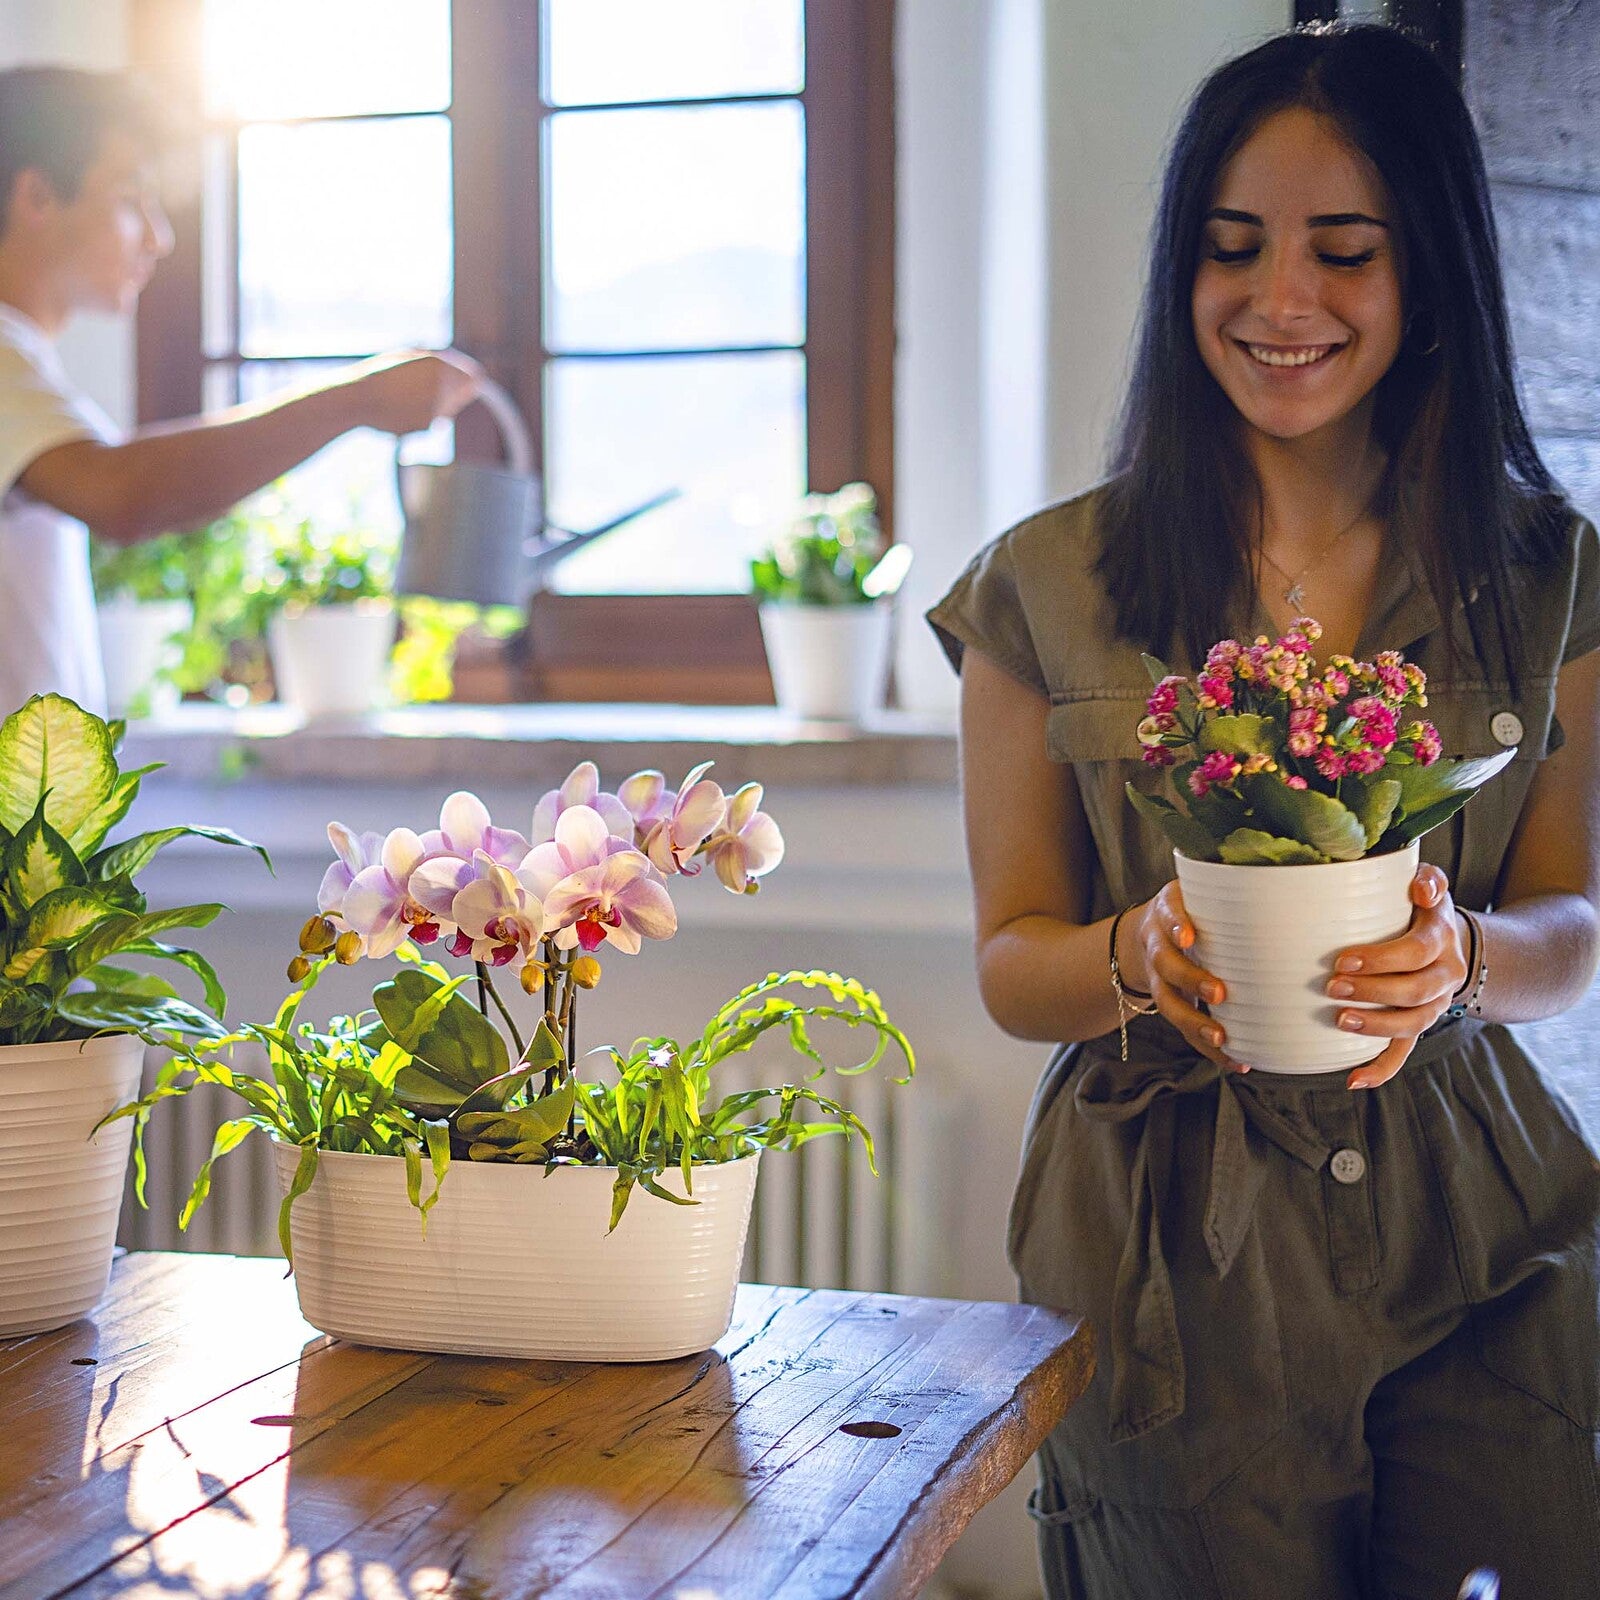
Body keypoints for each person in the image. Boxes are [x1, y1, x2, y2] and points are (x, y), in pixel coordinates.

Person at [928, 24, 1600, 1600]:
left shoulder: (1548, 576)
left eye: (1344, 253)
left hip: (1485, 1225)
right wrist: (1138, 952)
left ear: (1425, 270)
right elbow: (1012, 958)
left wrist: (1466, 966)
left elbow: (1577, 921)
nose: (1280, 302)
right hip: (1170, 1255)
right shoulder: (1043, 586)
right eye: (1232, 251)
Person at [0, 66, 482, 715]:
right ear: (35, 196)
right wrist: (356, 400)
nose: (158, 237)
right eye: (129, 199)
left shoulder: (26, 363)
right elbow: (120, 493)